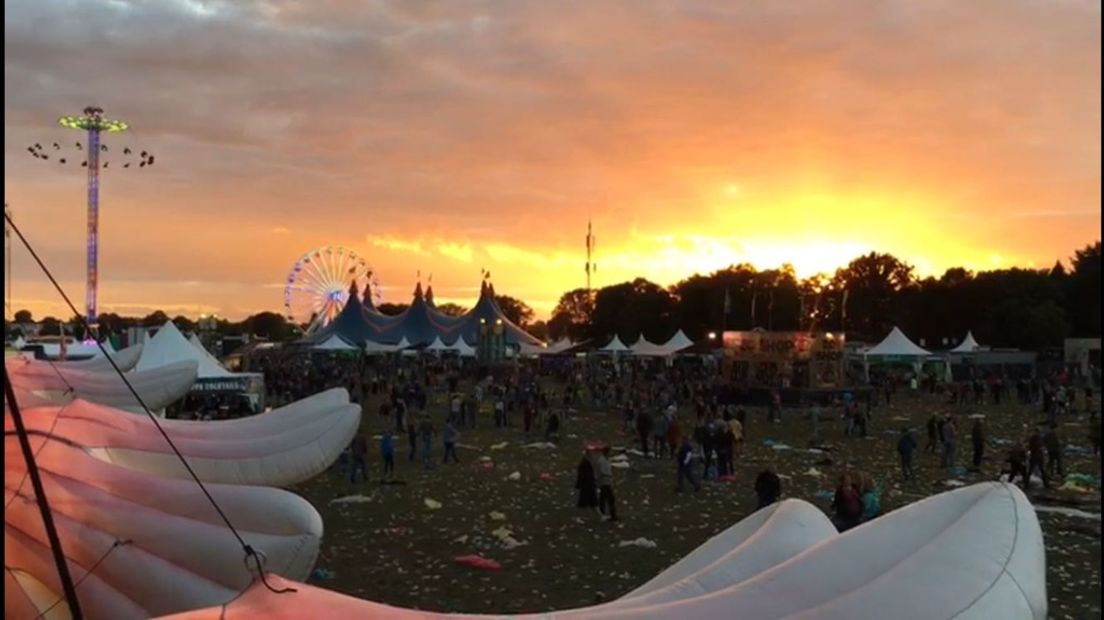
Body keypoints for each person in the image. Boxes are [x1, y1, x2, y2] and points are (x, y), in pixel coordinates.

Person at [596, 446, 618, 522]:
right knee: (610, 498)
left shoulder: (604, 460)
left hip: (606, 481)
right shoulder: (602, 461)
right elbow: (603, 472)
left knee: (603, 498)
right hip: (605, 481)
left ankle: (603, 513)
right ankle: (612, 515)